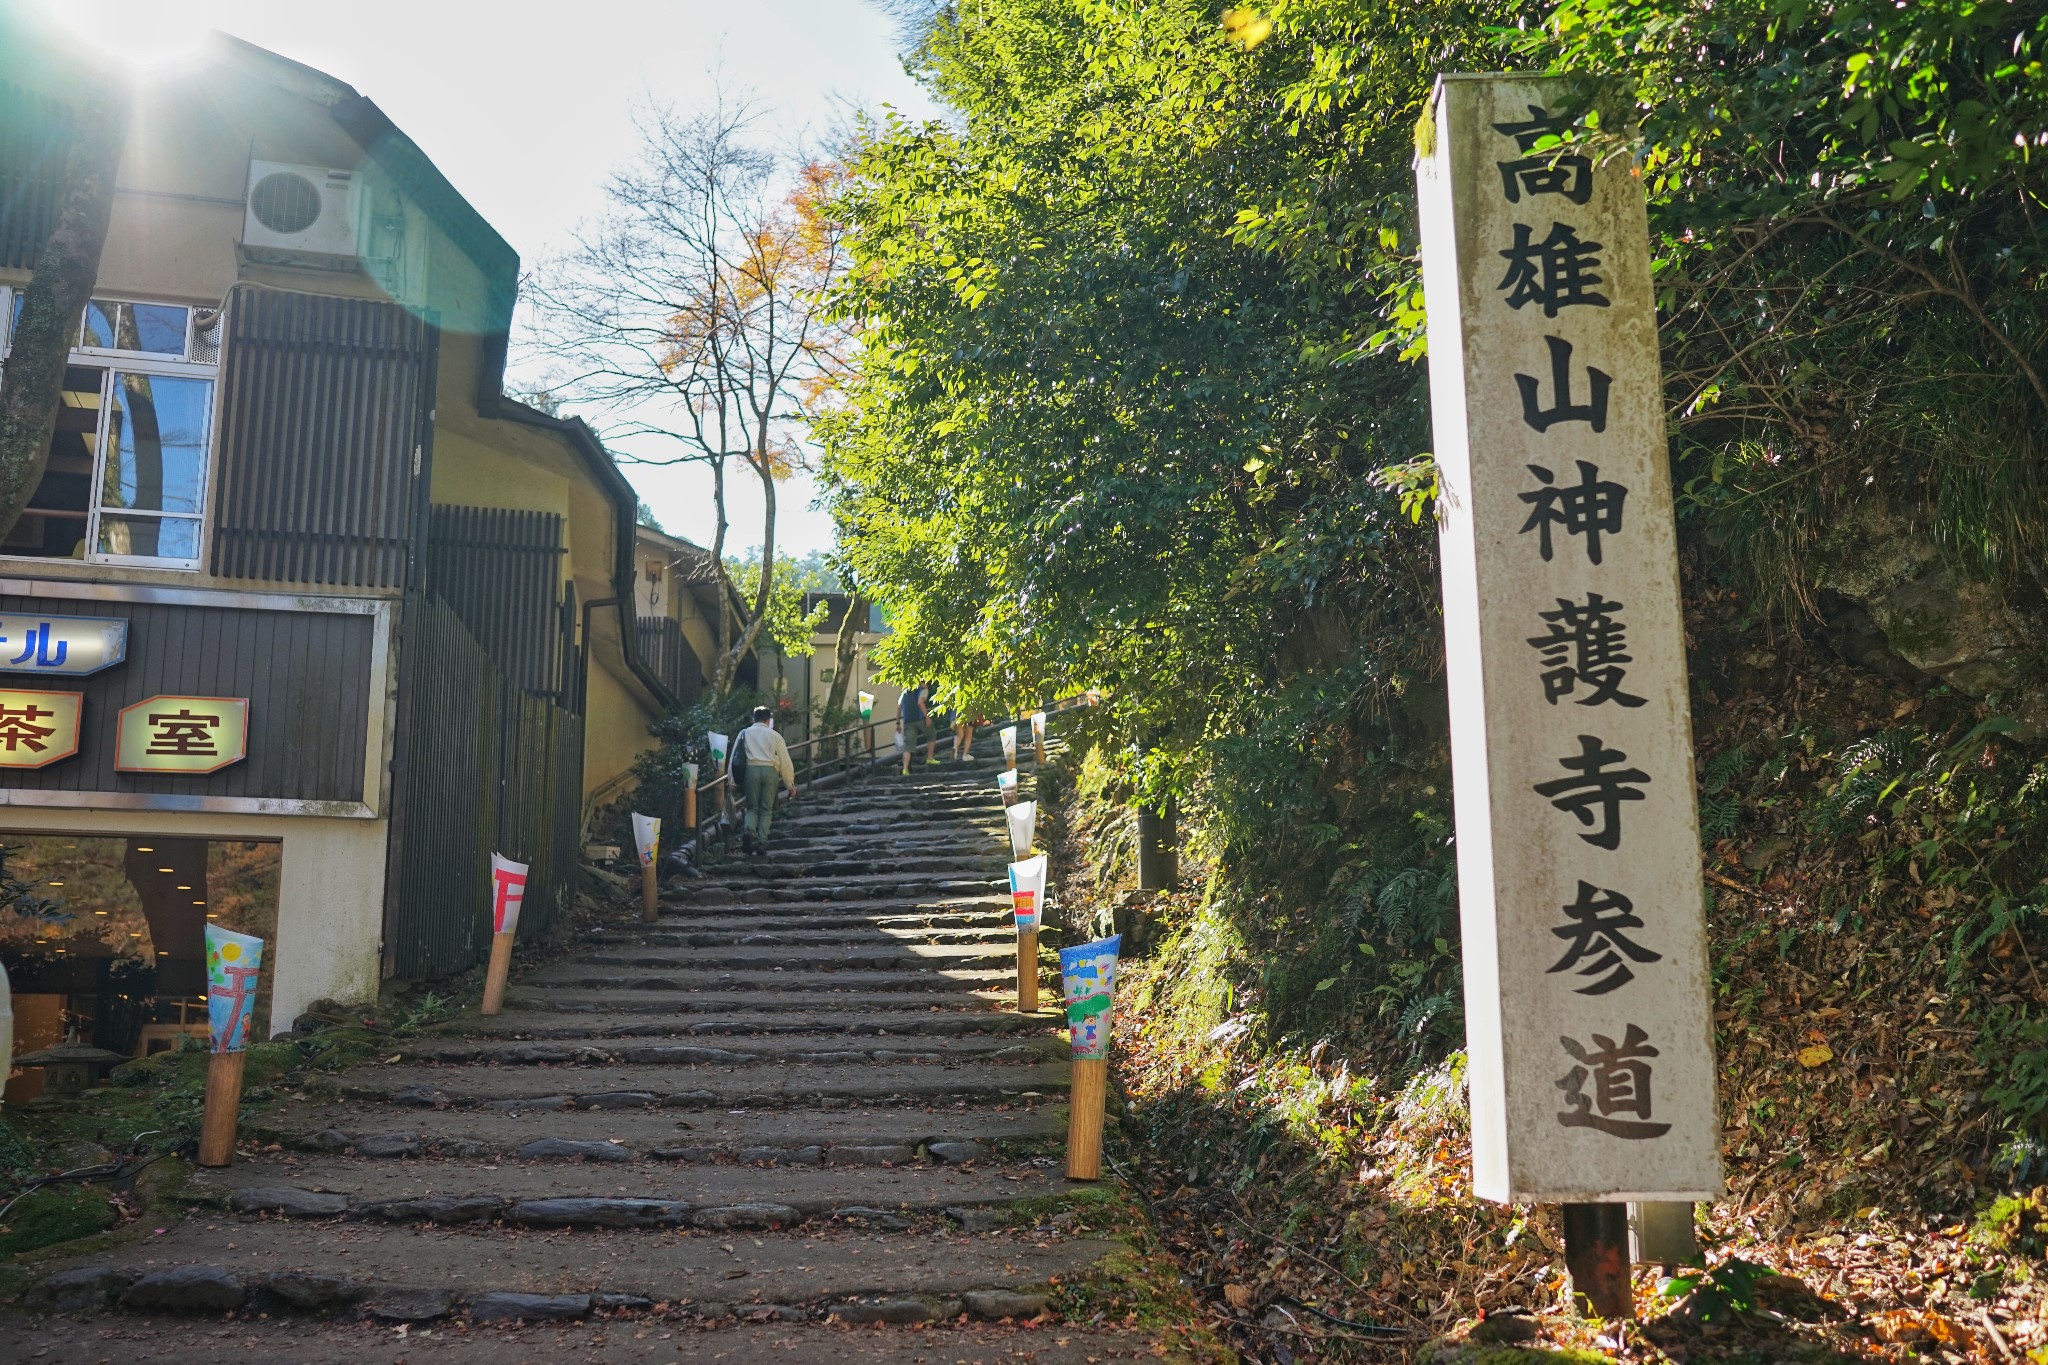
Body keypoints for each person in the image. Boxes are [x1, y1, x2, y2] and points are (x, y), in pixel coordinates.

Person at [732, 705, 796, 855]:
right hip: (770, 771)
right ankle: (762, 842)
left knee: (752, 807)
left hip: (751, 770)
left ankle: (749, 831)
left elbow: (736, 758)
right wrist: (790, 785)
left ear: (753, 719)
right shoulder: (774, 736)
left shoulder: (744, 733)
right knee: (766, 809)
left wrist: (732, 781)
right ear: (768, 720)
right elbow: (785, 762)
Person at [898, 681, 937, 775]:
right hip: (920, 719)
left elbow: (899, 707)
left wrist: (897, 723)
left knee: (908, 746)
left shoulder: (904, 692)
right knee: (932, 735)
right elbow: (920, 702)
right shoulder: (923, 690)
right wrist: (927, 717)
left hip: (908, 721)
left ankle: (905, 769)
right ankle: (930, 758)